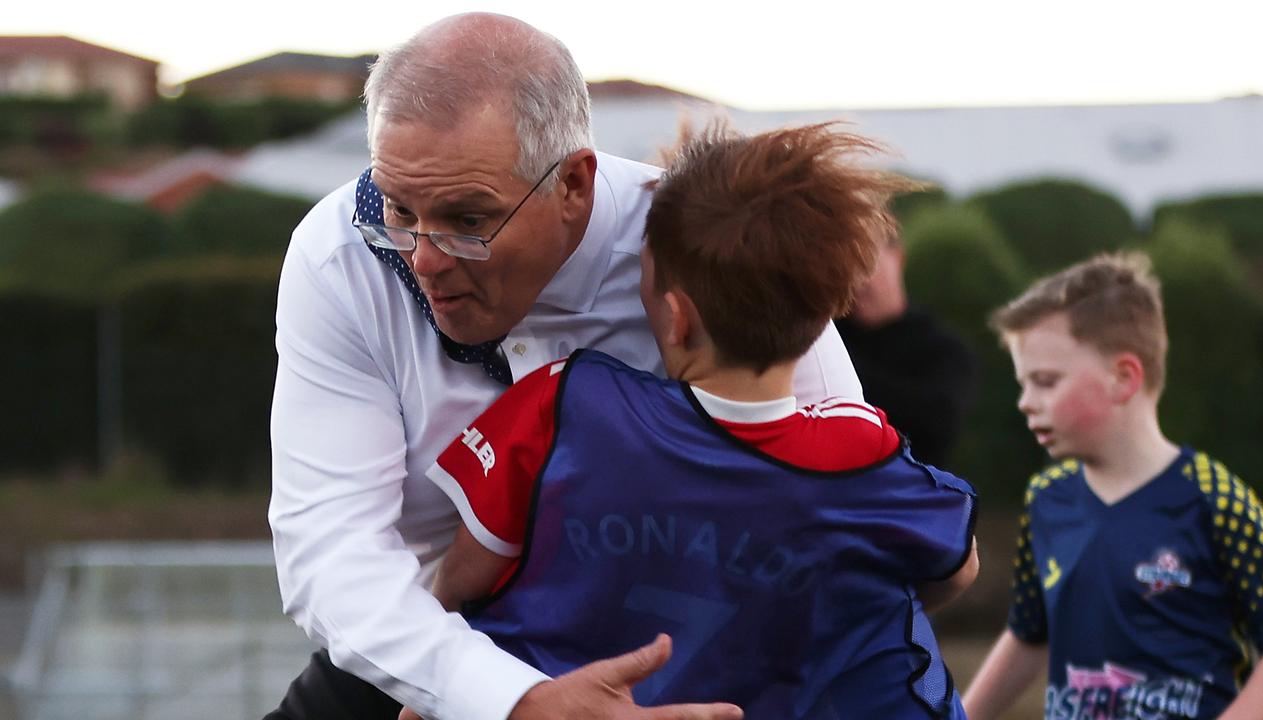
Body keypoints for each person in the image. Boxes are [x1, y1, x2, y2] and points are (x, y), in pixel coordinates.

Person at [266, 13, 862, 720]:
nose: (423, 258)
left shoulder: (719, 255)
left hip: (678, 656)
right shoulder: (342, 257)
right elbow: (332, 553)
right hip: (420, 646)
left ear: (574, 183)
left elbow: (839, 508)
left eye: (467, 219)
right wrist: (511, 700)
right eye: (398, 207)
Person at [416, 123, 979, 719]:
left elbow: (460, 581)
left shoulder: (562, 405)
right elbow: (954, 570)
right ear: (820, 322)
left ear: (677, 317)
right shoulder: (864, 451)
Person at [962, 253, 1263, 720]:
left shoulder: (1215, 500)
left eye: (1045, 382)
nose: (1026, 402)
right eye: (1023, 384)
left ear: (1124, 377)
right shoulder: (1047, 498)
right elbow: (1030, 634)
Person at [833, 216, 977, 465]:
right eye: (842, 265)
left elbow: (939, 419)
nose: (856, 277)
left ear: (897, 257)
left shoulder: (946, 350)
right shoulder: (823, 339)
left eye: (865, 259)